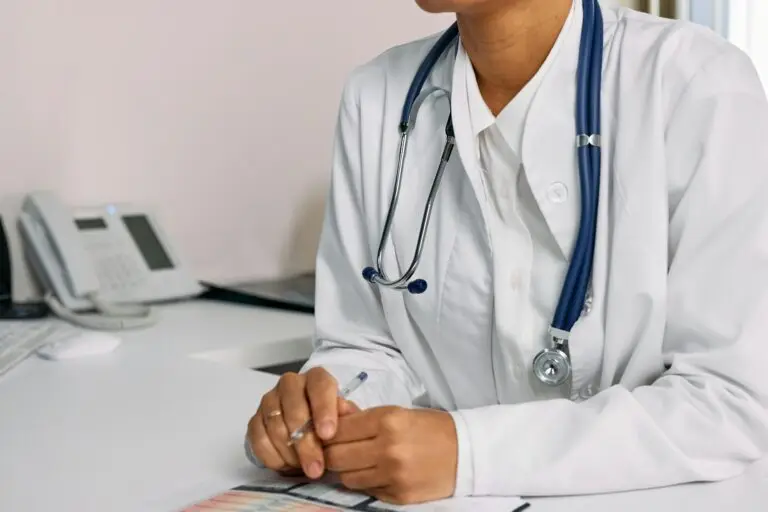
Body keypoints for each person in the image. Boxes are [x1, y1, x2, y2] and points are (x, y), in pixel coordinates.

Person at [246, 0, 768, 505]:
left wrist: (468, 452)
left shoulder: (698, 85)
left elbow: (726, 402)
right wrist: (326, 411)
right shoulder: (377, 96)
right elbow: (367, 346)